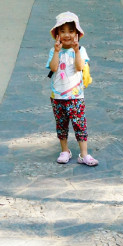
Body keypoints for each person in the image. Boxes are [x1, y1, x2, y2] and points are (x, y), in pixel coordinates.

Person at [47, 11, 97, 166]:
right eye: (62, 31)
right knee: (61, 124)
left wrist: (76, 51)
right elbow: (53, 68)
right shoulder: (54, 51)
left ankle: (84, 154)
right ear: (57, 34)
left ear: (77, 33)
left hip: (75, 96)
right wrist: (56, 51)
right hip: (58, 96)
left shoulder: (81, 51)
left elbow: (79, 67)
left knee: (79, 124)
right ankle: (65, 150)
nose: (66, 35)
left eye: (70, 31)